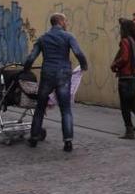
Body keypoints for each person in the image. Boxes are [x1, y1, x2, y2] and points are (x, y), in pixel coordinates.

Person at [22, 13, 89, 152]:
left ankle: (34, 138)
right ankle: (68, 141)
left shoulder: (43, 38)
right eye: (65, 21)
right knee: (66, 110)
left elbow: (31, 58)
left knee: (40, 108)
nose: (67, 23)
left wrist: (26, 70)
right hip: (63, 75)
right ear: (60, 21)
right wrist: (84, 66)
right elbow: (79, 53)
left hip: (47, 74)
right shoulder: (68, 36)